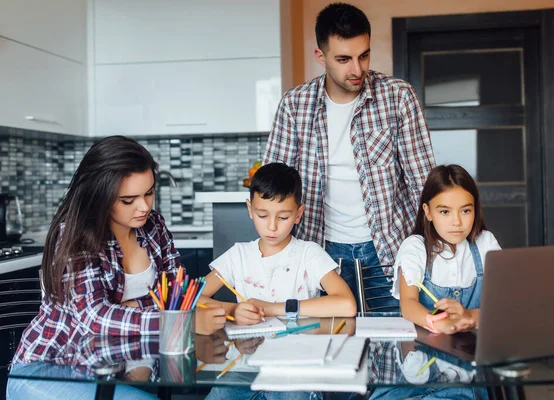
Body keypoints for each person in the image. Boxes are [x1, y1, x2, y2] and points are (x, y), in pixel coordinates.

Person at [7, 136, 226, 400]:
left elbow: (176, 293)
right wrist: (181, 322)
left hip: (122, 366)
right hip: (52, 367)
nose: (144, 206)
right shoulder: (75, 234)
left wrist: (148, 308)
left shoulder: (154, 225)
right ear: (100, 196)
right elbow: (95, 318)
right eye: (128, 200)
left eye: (149, 192)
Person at [263, 2, 435, 310]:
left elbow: (424, 183)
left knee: (396, 347)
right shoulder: (295, 105)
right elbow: (274, 191)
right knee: (330, 349)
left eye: (364, 55)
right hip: (320, 256)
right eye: (344, 59)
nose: (357, 69)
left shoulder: (397, 97)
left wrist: (435, 251)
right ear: (321, 56)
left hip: (390, 253)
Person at [199, 162, 356, 324]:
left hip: (300, 346)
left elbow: (347, 305)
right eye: (262, 215)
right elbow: (192, 299)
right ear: (250, 209)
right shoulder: (238, 255)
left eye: (283, 218)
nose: (272, 227)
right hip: (251, 347)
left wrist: (272, 308)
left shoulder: (309, 254)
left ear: (298, 214)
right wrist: (233, 310)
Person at [394, 164, 501, 334]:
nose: (457, 221)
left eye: (465, 211)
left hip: (476, 348)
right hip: (427, 347)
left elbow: (503, 305)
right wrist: (439, 324)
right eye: (445, 212)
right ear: (428, 212)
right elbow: (408, 304)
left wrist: (468, 315)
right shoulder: (415, 247)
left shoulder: (485, 242)